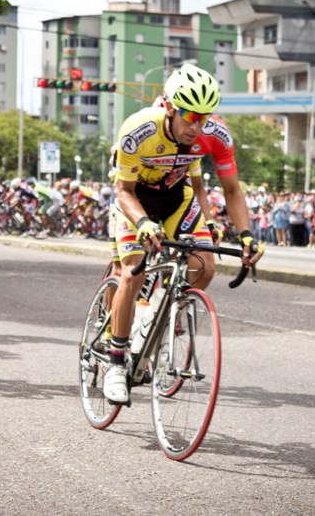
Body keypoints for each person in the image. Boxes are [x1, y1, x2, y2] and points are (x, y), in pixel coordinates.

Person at [103, 63, 262, 404]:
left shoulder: (215, 135)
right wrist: (143, 223)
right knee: (133, 271)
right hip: (136, 200)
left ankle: (155, 315)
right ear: (171, 107)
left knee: (204, 266)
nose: (197, 125)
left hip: (177, 199)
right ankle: (116, 362)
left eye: (205, 117)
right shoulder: (139, 129)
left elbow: (232, 191)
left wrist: (247, 234)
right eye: (190, 115)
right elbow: (123, 191)